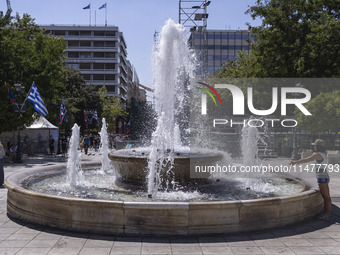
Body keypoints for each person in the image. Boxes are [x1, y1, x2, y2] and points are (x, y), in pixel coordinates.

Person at [290, 139, 332, 220]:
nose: (314, 146)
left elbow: (306, 160)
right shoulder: (323, 154)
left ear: (318, 146)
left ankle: (327, 214)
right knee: (326, 196)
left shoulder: (317, 154)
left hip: (322, 177)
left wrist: (295, 163)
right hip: (324, 175)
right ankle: (327, 212)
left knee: (326, 196)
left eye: (315, 145)